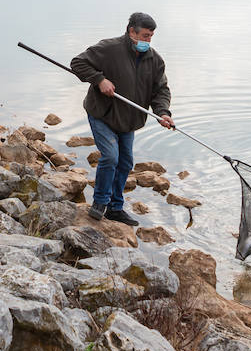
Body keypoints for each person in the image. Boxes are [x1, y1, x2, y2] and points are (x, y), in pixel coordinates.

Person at [70, 12, 174, 226]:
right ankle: (99, 203)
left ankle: (115, 208)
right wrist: (99, 80)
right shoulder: (109, 49)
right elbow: (78, 63)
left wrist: (163, 113)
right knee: (110, 157)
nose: (148, 41)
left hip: (128, 120)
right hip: (103, 114)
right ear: (131, 32)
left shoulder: (154, 60)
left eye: (151, 36)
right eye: (144, 35)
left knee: (125, 162)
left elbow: (160, 90)